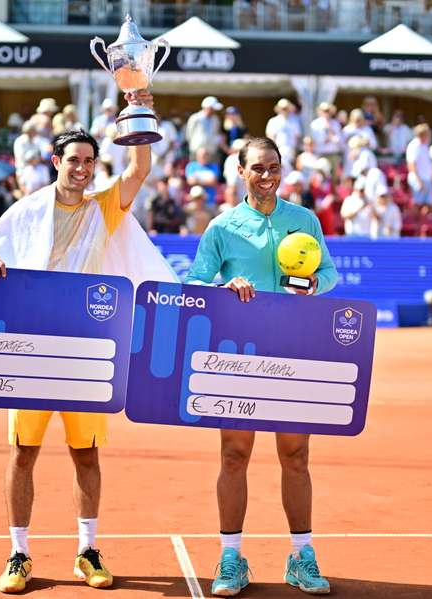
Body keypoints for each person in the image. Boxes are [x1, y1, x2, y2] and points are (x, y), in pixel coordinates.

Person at [0, 91, 176, 595]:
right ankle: (19, 553)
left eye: (89, 161)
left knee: (87, 455)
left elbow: (140, 166)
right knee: (23, 452)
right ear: (55, 161)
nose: (82, 168)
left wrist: (138, 101)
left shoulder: (106, 207)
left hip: (87, 351)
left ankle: (88, 549)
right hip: (32, 349)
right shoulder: (28, 209)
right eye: (73, 160)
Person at [185, 137, 337, 597]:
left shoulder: (304, 220)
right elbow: (194, 281)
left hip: (293, 350)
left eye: (274, 167)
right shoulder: (222, 227)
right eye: (258, 168)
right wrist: (224, 286)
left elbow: (328, 274)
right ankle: (231, 558)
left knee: (296, 456)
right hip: (240, 357)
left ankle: (302, 556)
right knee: (235, 456)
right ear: (240, 170)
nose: (267, 175)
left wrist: (313, 284)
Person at [266, 98, 303, 162]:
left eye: (286, 108)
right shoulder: (273, 121)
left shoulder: (294, 121)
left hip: (291, 149)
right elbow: (270, 136)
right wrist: (275, 150)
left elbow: (297, 136)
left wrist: (295, 150)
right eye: (283, 108)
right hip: (279, 148)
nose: (285, 110)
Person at [406, 124, 432, 208]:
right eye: (428, 133)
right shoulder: (414, 145)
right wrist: (419, 181)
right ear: (423, 134)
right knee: (417, 204)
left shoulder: (425, 145)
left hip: (426, 178)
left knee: (428, 204)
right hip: (419, 179)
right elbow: (411, 164)